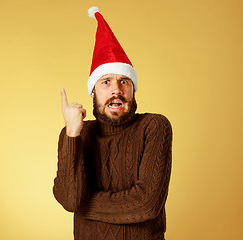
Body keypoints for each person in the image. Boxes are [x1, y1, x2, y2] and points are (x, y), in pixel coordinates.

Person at [53, 7, 173, 240]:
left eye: (124, 82)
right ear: (93, 92)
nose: (116, 90)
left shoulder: (154, 126)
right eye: (106, 82)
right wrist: (72, 134)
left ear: (133, 89)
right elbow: (70, 199)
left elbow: (146, 205)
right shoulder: (75, 134)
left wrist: (84, 205)